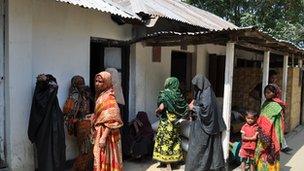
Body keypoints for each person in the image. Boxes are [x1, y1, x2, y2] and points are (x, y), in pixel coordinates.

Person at [185, 74, 226, 171]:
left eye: (196, 85)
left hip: (205, 127)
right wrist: (193, 103)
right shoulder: (200, 91)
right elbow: (197, 101)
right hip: (199, 125)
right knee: (198, 148)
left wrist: (194, 108)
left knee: (200, 148)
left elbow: (207, 110)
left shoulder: (207, 94)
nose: (194, 87)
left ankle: (200, 167)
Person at [28, 74, 66, 171]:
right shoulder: (40, 98)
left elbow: (54, 87)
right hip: (44, 132)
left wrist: (48, 80)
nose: (53, 87)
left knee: (57, 153)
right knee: (47, 156)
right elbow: (53, 88)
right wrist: (45, 81)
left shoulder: (54, 102)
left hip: (55, 131)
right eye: (49, 84)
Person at [153, 77, 188, 170]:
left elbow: (161, 107)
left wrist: (157, 111)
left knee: (164, 142)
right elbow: (184, 108)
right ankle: (174, 161)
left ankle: (166, 163)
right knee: (175, 141)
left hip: (165, 123)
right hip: (175, 123)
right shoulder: (178, 95)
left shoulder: (165, 94)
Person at [91, 71, 123, 171]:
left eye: (100, 81)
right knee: (99, 158)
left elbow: (113, 119)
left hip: (108, 135)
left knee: (107, 158)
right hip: (100, 132)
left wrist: (103, 137)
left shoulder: (109, 97)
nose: (97, 83)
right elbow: (101, 114)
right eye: (96, 81)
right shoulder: (101, 95)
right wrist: (93, 117)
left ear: (107, 82)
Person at [63, 76, 94, 171]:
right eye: (79, 83)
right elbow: (67, 113)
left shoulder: (85, 94)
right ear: (74, 85)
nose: (81, 85)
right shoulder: (75, 96)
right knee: (86, 150)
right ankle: (77, 168)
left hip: (88, 124)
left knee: (88, 150)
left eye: (82, 83)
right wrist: (75, 120)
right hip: (81, 126)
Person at [255, 84, 286, 170]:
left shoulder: (276, 105)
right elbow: (262, 117)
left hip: (272, 134)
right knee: (261, 153)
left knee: (270, 154)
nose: (266, 94)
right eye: (265, 92)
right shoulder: (265, 103)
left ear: (275, 93)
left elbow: (279, 122)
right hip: (263, 133)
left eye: (269, 92)